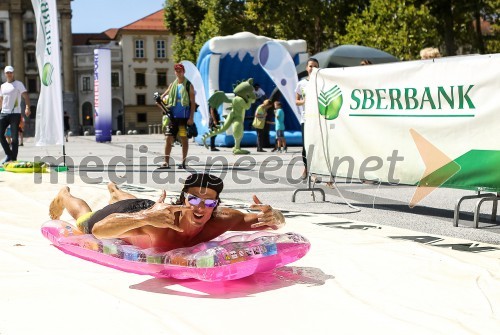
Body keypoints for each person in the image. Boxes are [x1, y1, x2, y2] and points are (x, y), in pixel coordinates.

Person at [48, 173, 286, 251]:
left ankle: (115, 190)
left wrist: (275, 215)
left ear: (217, 205)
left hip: (148, 208)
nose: (201, 207)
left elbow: (274, 222)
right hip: (132, 215)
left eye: (209, 202)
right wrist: (145, 217)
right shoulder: (159, 221)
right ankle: (65, 195)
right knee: (85, 220)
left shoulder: (223, 219)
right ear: (183, 198)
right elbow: (100, 230)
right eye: (193, 199)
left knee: (143, 203)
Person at [157, 63, 196, 169]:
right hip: (173, 117)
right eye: (176, 70)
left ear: (184, 72)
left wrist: (191, 117)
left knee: (183, 138)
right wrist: (159, 99)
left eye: (180, 70)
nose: (178, 72)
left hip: (183, 118)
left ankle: (183, 162)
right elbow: (162, 97)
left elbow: (193, 103)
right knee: (168, 138)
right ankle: (166, 162)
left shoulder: (188, 85)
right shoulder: (172, 85)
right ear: (175, 72)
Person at [0, 66, 30, 164]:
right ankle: (9, 155)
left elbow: (25, 96)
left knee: (14, 137)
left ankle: (13, 158)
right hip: (4, 113)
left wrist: (27, 107)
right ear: (5, 74)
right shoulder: (3, 86)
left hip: (15, 114)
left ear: (13, 73)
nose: (9, 74)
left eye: (10, 72)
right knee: (1, 135)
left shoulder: (18, 84)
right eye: (7, 73)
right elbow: (1, 99)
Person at [295, 58, 319, 179]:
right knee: (305, 147)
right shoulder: (301, 83)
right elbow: (296, 101)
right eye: (310, 66)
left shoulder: (321, 82)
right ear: (306, 68)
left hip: (318, 119)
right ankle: (307, 169)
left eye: (315, 66)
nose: (312, 68)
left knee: (316, 146)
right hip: (306, 119)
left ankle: (314, 172)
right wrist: (304, 101)